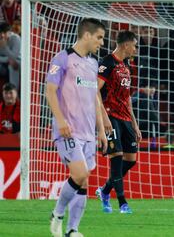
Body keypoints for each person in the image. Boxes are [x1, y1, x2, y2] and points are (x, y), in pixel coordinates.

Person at [46, 18, 107, 237]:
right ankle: (57, 214)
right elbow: (50, 90)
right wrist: (60, 120)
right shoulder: (62, 59)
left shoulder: (92, 64)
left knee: (83, 180)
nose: (101, 42)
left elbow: (95, 99)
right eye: (99, 37)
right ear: (87, 35)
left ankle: (72, 230)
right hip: (68, 130)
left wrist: (101, 130)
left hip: (89, 132)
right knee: (79, 173)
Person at [96, 30, 142, 214]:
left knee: (130, 160)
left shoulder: (126, 66)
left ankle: (105, 190)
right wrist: (104, 118)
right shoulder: (107, 62)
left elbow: (127, 98)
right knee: (116, 159)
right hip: (110, 115)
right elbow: (95, 90)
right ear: (125, 45)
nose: (136, 49)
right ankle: (122, 203)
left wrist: (135, 124)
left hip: (125, 118)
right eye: (135, 45)